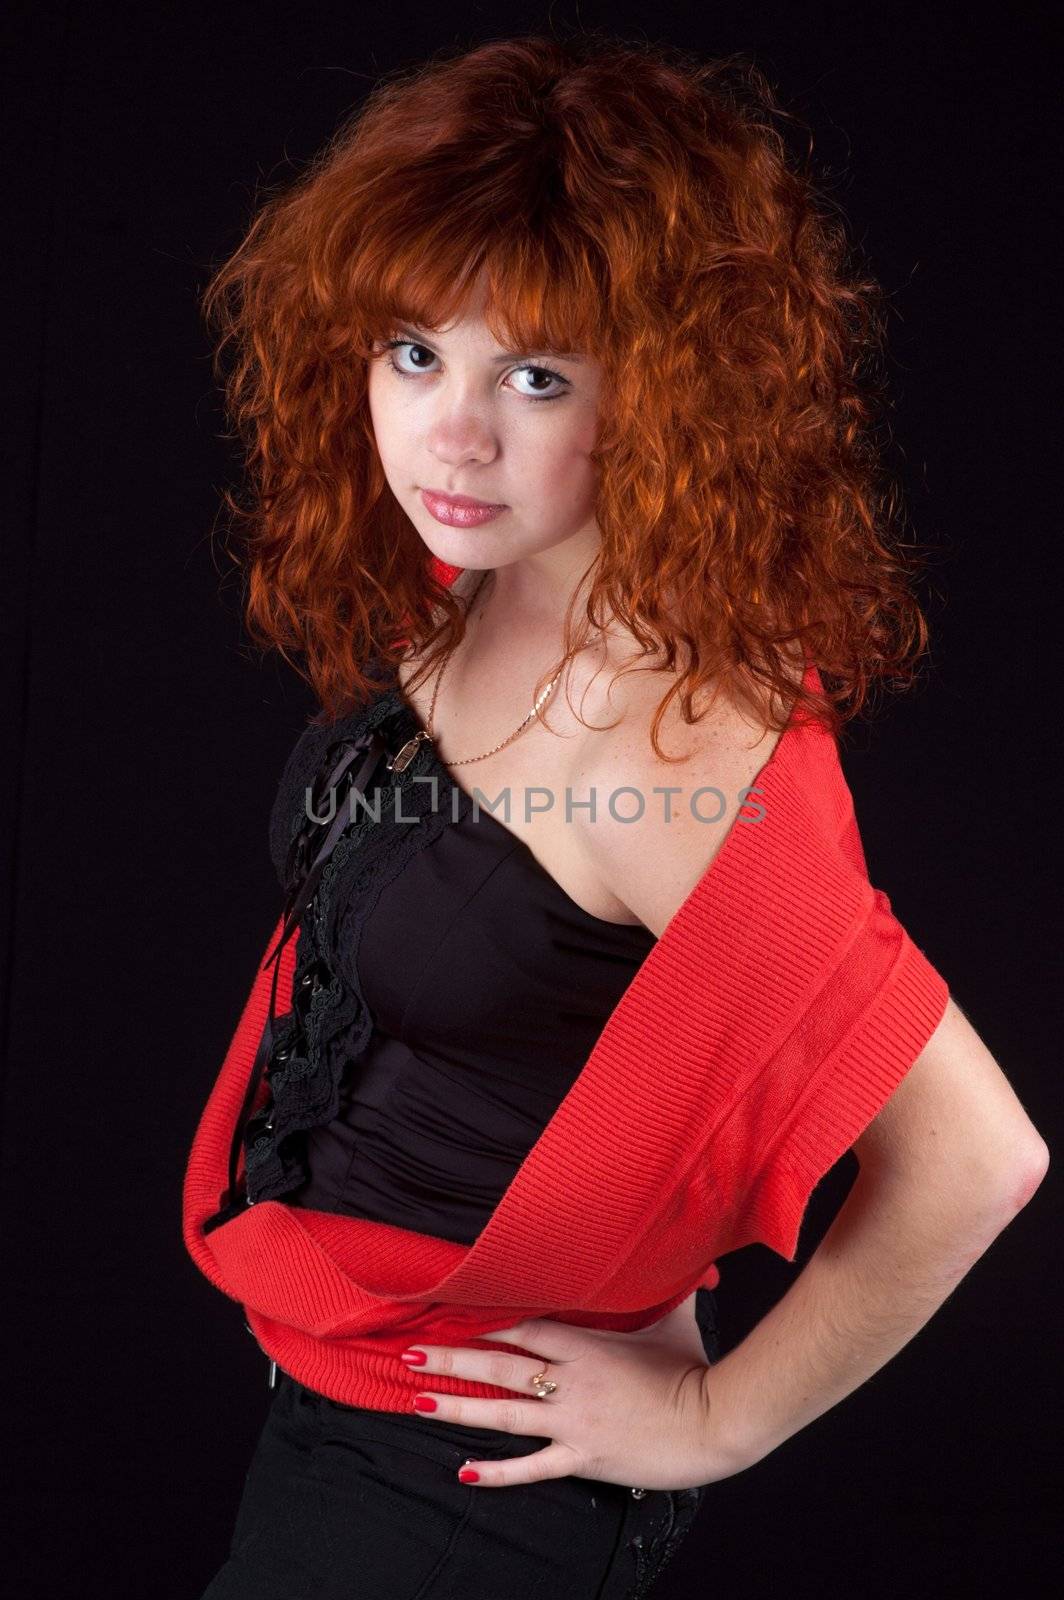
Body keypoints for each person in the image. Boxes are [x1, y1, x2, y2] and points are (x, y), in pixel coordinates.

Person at [186, 32, 1048, 1599]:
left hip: (464, 1498)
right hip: (339, 1398)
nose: (452, 433)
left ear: (662, 392)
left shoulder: (667, 750)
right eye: (411, 352)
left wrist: (716, 1417)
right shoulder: (469, 582)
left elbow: (977, 1158)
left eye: (533, 375)